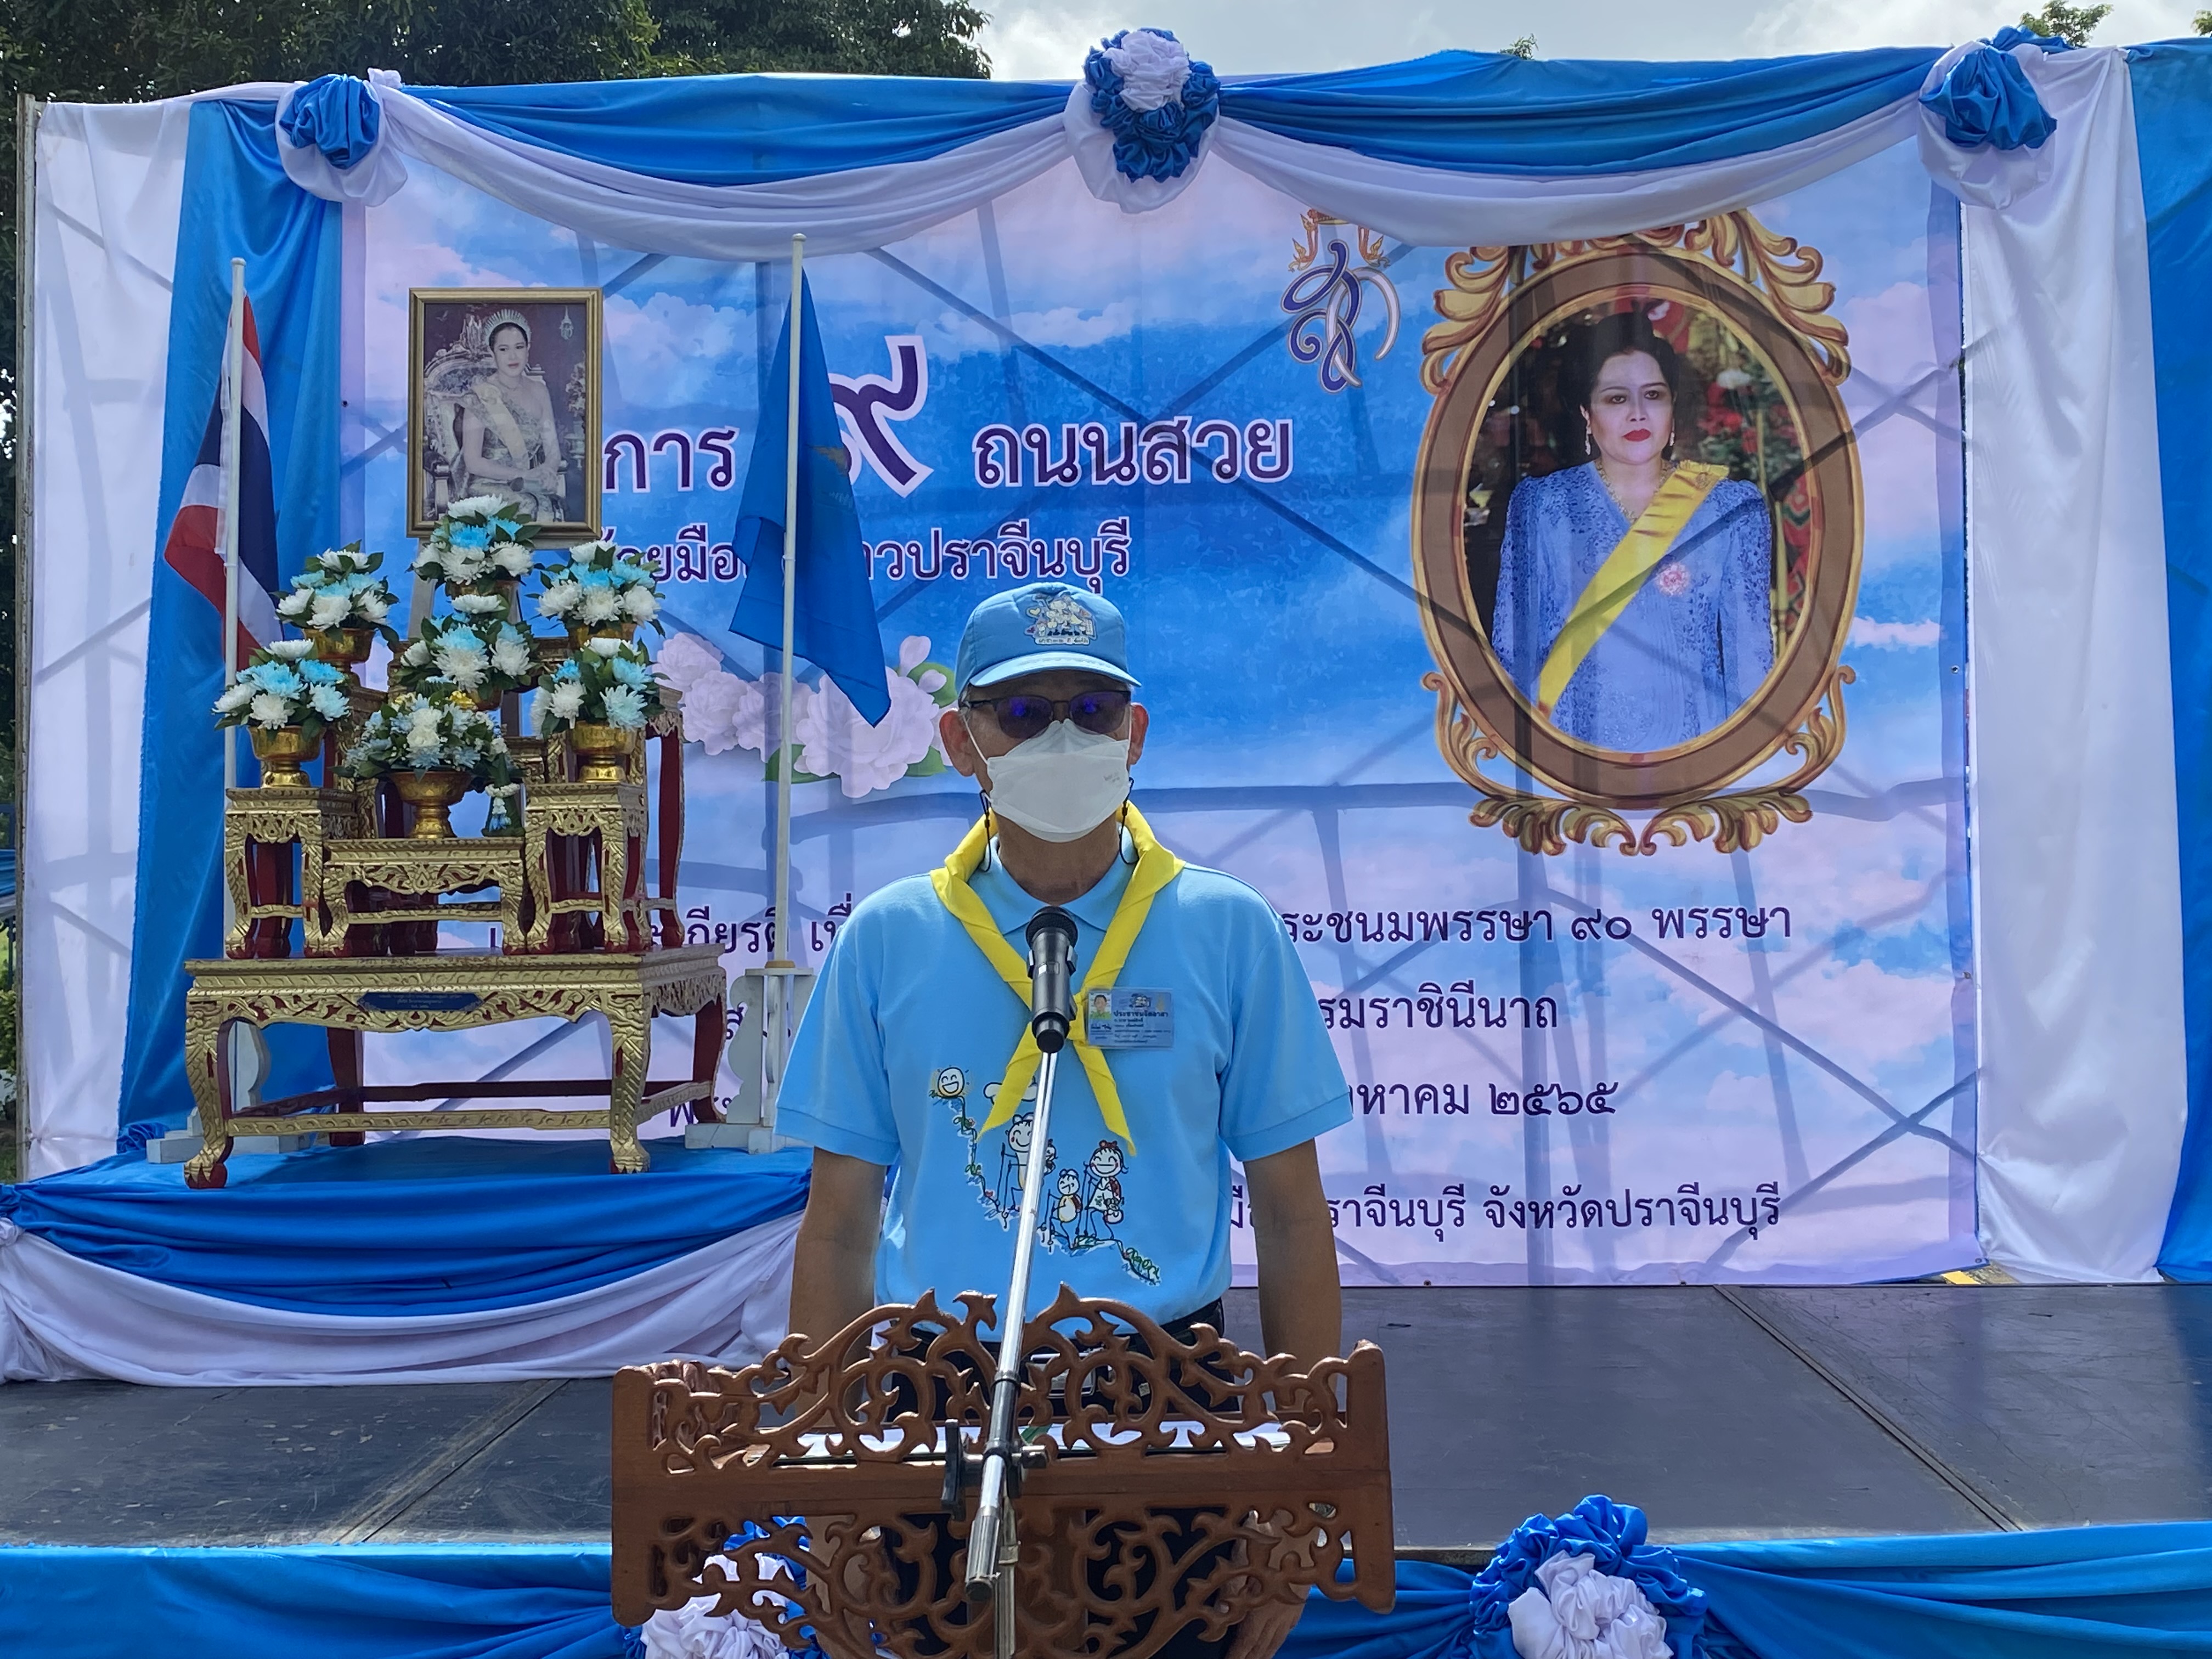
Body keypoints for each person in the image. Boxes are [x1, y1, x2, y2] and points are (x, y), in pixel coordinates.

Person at [779, 580, 1350, 1659]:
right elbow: (840, 1224)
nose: (1062, 740)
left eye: (1091, 712)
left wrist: (1301, 1476)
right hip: (938, 1390)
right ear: (960, 741)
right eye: (1023, 713)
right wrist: (830, 1479)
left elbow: (1290, 1217)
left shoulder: (1226, 929)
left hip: (1165, 1392)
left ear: (1134, 734)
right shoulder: (887, 939)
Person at [1489, 313, 1775, 753]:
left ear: (1673, 407)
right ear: (1587, 414)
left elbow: (1751, 666)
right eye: (1616, 398)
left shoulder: (1730, 509)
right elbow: (1512, 655)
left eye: (1654, 395)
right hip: (1572, 755)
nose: (1638, 413)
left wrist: (1741, 769)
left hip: (1694, 754)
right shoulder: (1542, 506)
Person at [455, 310, 567, 520]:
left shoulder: (540, 391)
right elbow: (473, 462)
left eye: (519, 347)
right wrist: (522, 475)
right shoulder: (479, 396)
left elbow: (553, 450)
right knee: (526, 503)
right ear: (493, 353)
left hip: (529, 482)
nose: (513, 356)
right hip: (488, 485)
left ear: (528, 349)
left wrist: (547, 471)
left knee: (546, 502)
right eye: (504, 349)